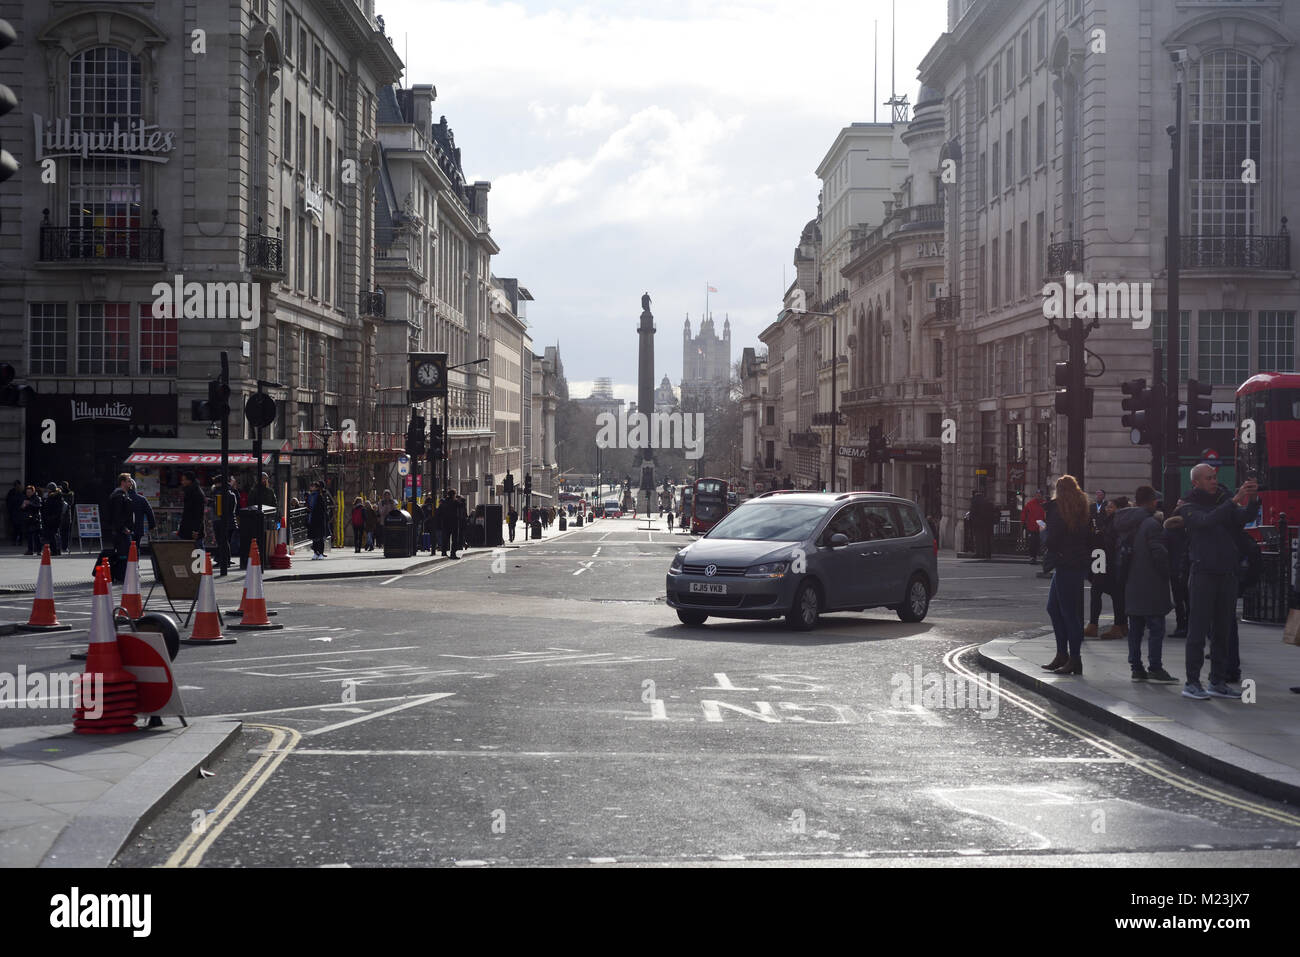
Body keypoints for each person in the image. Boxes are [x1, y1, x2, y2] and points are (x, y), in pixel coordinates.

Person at [1178, 465, 1259, 700]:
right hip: (1203, 573)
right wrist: (1234, 500)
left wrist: (1252, 498)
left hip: (1227, 573)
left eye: (1215, 477)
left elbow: (1244, 518)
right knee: (1198, 630)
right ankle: (1192, 682)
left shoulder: (1224, 501)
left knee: (1223, 630)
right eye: (1209, 478)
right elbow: (1206, 521)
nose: (1214, 481)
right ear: (1196, 482)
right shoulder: (1188, 505)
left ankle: (1218, 680)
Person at [1113, 486, 1177, 683]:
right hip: (1151, 583)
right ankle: (1155, 667)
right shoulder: (1151, 524)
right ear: (1152, 502)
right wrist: (1168, 572)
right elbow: (1159, 554)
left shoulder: (1125, 523)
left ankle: (1136, 667)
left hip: (1131, 582)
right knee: (1156, 628)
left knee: (1136, 629)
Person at [1042, 474, 1092, 675]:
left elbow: (1052, 540)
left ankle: (1074, 658)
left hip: (1065, 563)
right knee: (1054, 608)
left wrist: (1043, 531)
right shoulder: (1082, 509)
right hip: (1076, 563)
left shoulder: (1058, 510)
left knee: (1068, 613)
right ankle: (1063, 654)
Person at [1085, 500, 1126, 639]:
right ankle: (1120, 625)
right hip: (1107, 560)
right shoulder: (1114, 521)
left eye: (1111, 507)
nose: (1108, 509)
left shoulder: (1115, 522)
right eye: (1107, 507)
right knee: (1116, 594)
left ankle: (1094, 625)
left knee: (1097, 591)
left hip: (1106, 561)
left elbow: (1109, 541)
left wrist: (1098, 536)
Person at [1164, 501, 1190, 638]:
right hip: (1190, 568)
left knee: (1179, 601)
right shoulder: (1191, 529)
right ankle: (1191, 626)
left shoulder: (1168, 531)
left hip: (1174, 570)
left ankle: (1181, 626)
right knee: (1190, 600)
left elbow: (1165, 551)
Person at [105, 473, 135, 559]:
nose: (131, 483)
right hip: (121, 532)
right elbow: (117, 514)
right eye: (129, 481)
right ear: (123, 483)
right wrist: (123, 528)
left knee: (126, 554)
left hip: (123, 530)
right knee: (123, 555)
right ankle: (122, 571)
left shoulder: (124, 495)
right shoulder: (118, 496)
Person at [178, 471, 206, 546]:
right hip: (188, 527)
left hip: (193, 528)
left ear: (189, 481)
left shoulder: (196, 493)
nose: (182, 482)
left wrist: (196, 530)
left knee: (197, 549)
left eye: (184, 480)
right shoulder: (189, 491)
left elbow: (199, 513)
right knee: (190, 550)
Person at [1021, 489, 1046, 565]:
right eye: (1037, 495)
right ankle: (1032, 557)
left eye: (1040, 495)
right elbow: (1024, 513)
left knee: (1041, 542)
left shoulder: (1045, 504)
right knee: (1032, 542)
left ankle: (1041, 556)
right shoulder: (1030, 504)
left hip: (1041, 526)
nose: (1038, 496)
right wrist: (1023, 522)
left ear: (1042, 496)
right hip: (1032, 526)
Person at [40, 483, 67, 556]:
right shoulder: (57, 496)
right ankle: (57, 550)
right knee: (55, 535)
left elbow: (51, 508)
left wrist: (50, 518)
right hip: (55, 519)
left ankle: (54, 550)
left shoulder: (53, 497)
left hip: (52, 519)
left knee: (52, 535)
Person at [128, 478, 156, 547]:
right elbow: (150, 513)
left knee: (125, 549)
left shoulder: (122, 498)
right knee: (136, 547)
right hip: (138, 529)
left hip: (125, 529)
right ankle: (136, 557)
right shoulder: (142, 499)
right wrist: (152, 526)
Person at [307, 481, 330, 559]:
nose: (311, 487)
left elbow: (323, 508)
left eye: (313, 486)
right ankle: (315, 552)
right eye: (311, 486)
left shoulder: (319, 496)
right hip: (312, 518)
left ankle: (320, 553)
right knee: (314, 538)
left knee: (320, 537)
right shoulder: (310, 496)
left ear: (316, 488)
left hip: (319, 519)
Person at [6, 480, 24, 547]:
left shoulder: (22, 492)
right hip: (14, 513)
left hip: (20, 512)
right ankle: (14, 541)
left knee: (20, 528)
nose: (17, 486)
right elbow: (8, 502)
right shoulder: (12, 492)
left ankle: (20, 541)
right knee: (15, 528)